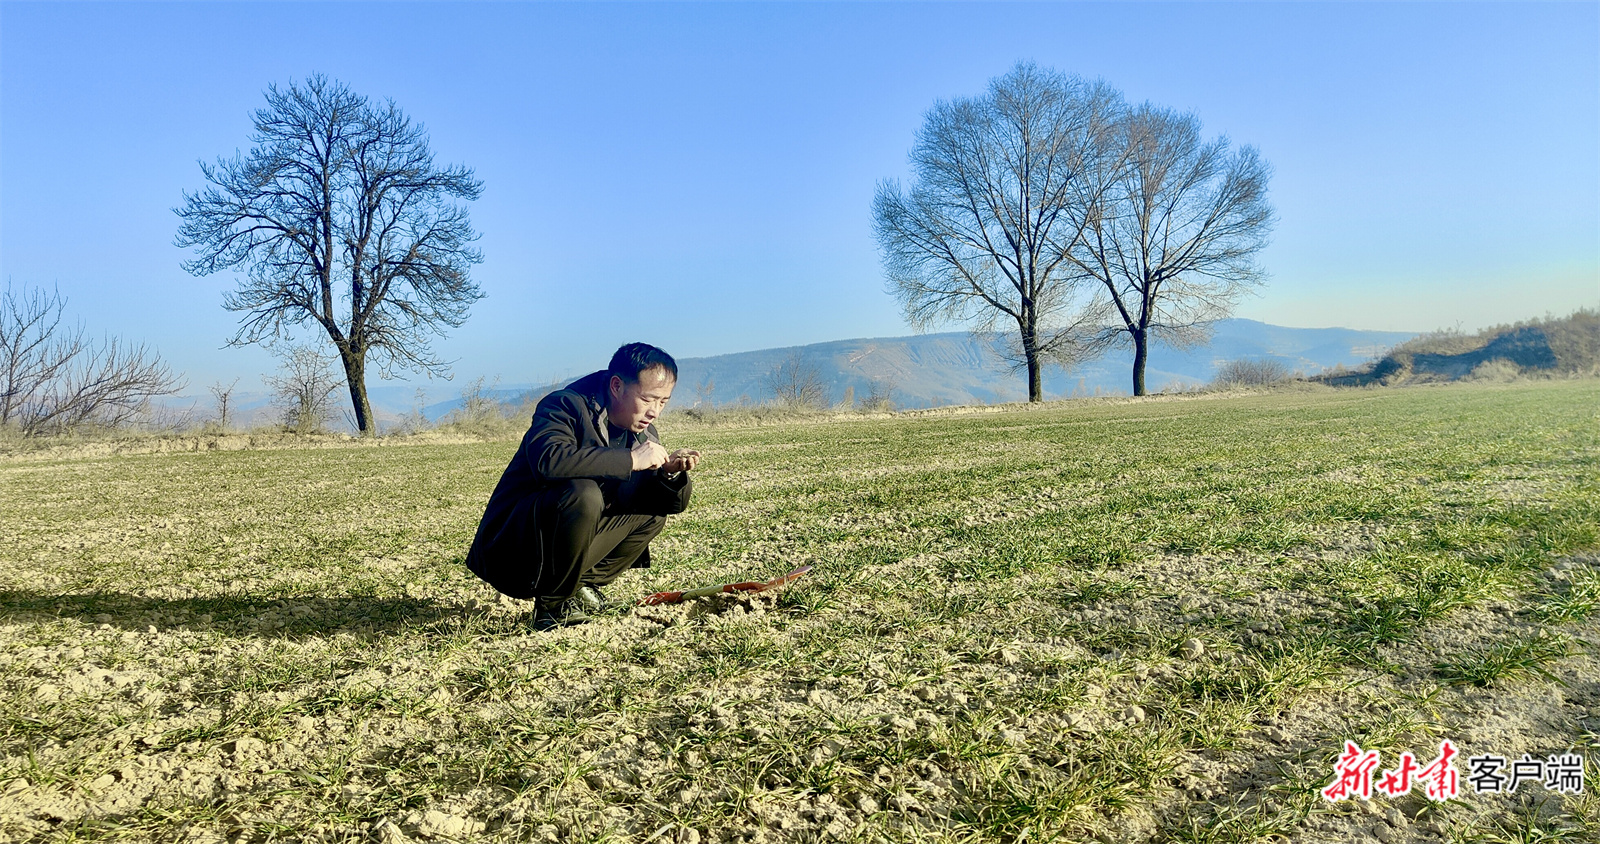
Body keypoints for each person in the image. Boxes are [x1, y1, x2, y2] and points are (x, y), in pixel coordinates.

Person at [465, 342, 701, 630]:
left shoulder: (642, 431)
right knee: (583, 495)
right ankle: (553, 606)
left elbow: (670, 505)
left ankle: (578, 589)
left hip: (565, 550)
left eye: (663, 402)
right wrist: (629, 459)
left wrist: (669, 475)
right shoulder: (564, 405)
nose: (655, 412)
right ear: (617, 386)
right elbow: (549, 460)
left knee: (652, 512)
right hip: (515, 550)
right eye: (648, 399)